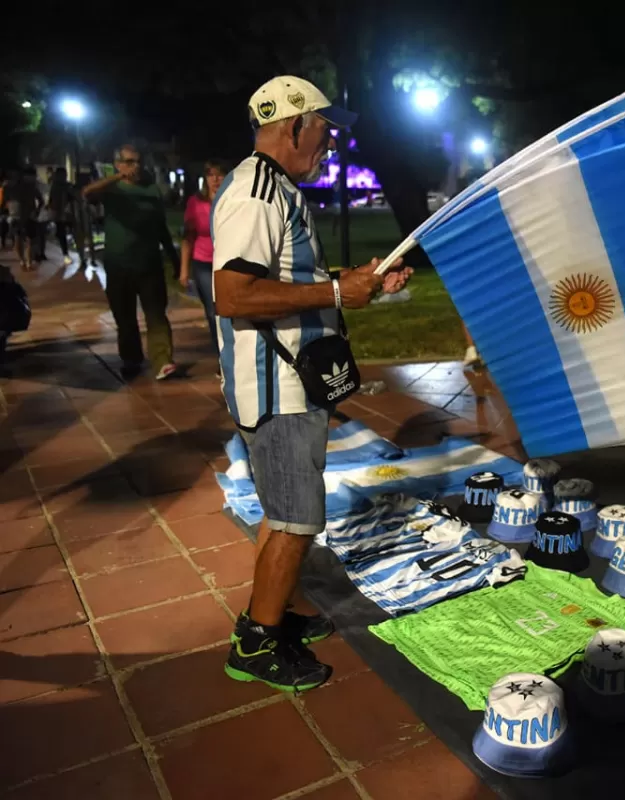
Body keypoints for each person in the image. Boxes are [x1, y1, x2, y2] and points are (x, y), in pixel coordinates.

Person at [212, 75, 411, 692]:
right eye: (324, 127)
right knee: (298, 517)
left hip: (286, 379)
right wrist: (331, 291)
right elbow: (233, 293)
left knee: (282, 508)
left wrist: (351, 283)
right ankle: (257, 641)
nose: (330, 142)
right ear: (291, 124)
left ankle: (279, 611)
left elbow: (286, 279)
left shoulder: (279, 190)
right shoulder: (256, 192)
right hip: (277, 386)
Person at [82, 145, 180, 380]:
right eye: (128, 162)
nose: (134, 167)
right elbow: (86, 193)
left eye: (137, 162)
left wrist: (173, 258)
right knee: (124, 317)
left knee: (156, 315)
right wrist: (117, 177)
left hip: (149, 264)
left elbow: (161, 228)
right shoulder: (112, 189)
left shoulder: (152, 190)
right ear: (118, 163)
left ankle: (163, 360)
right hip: (118, 265)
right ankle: (131, 359)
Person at [180, 160, 225, 355]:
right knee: (213, 310)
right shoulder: (196, 202)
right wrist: (184, 270)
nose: (215, 179)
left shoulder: (233, 200)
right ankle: (222, 356)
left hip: (228, 262)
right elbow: (188, 237)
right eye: (211, 175)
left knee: (232, 310)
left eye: (219, 174)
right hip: (204, 262)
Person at [6, 166, 43, 271]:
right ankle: (22, 260)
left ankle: (29, 262)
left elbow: (41, 201)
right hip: (17, 217)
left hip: (29, 217)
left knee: (31, 240)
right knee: (19, 240)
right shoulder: (12, 187)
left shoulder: (33, 187)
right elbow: (7, 201)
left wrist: (36, 212)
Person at [48, 167, 79, 266]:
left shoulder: (68, 186)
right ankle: (66, 254)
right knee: (62, 235)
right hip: (60, 214)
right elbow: (52, 201)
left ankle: (77, 252)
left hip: (69, 214)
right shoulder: (55, 187)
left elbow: (75, 197)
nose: (62, 177)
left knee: (74, 233)